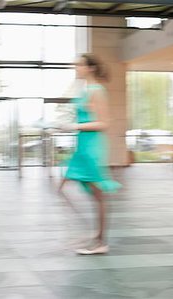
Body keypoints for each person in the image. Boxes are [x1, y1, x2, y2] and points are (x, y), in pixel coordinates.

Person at [59, 53, 121, 255]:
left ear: (90, 68)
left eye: (79, 65)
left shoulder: (97, 91)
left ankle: (100, 240)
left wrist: (74, 125)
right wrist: (65, 126)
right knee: (62, 187)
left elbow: (104, 123)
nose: (76, 68)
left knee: (97, 194)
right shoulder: (86, 91)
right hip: (82, 147)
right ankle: (95, 235)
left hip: (93, 147)